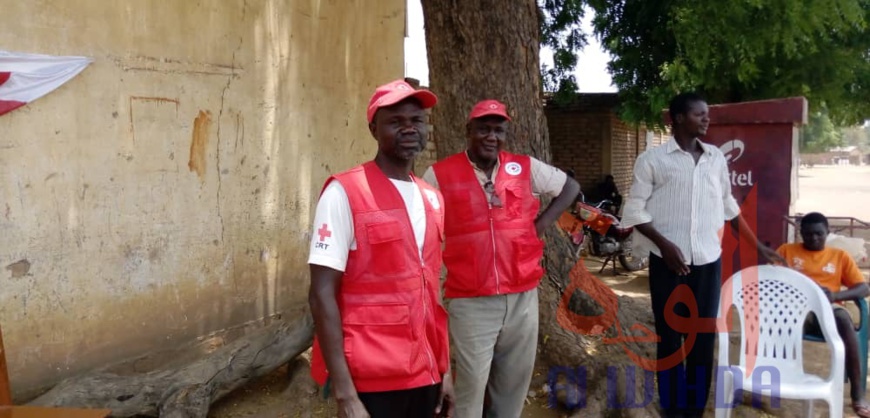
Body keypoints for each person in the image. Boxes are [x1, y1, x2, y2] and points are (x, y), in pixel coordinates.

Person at [621, 92, 783, 418]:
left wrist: (759, 247)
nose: (707, 119)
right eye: (699, 114)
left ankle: (693, 410)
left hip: (708, 263)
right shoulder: (652, 161)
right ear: (679, 118)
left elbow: (729, 207)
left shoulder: (715, 159)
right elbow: (634, 211)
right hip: (667, 265)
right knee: (669, 339)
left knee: (701, 340)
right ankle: (671, 408)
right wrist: (664, 245)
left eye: (707, 114)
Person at [422, 99, 581, 417]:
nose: (491, 136)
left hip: (522, 296)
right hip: (470, 299)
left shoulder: (524, 167)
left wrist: (539, 227)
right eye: (483, 129)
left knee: (512, 385)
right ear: (468, 131)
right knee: (471, 387)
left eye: (498, 129)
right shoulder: (439, 173)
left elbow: (570, 187)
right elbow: (421, 219)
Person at [307, 79, 454, 418]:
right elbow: (321, 294)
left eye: (416, 121)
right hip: (371, 378)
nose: (409, 128)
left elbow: (431, 292)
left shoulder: (431, 198)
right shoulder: (344, 192)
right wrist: (345, 394)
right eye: (395, 121)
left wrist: (444, 370)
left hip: (426, 372)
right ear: (374, 128)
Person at [777, 212, 870, 418]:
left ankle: (857, 396)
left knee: (844, 319)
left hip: (828, 310)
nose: (813, 239)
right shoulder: (786, 251)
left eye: (819, 234)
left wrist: (836, 295)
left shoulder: (839, 256)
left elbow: (863, 288)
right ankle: (772, 383)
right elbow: (772, 280)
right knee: (778, 323)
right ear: (801, 233)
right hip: (796, 311)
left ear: (828, 232)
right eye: (808, 235)